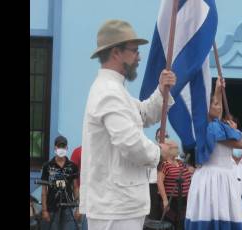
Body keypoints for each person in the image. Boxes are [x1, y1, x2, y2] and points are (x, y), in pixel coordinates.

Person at [79, 19, 176, 230]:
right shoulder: (109, 92)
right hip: (115, 205)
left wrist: (161, 90)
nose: (139, 57)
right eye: (134, 51)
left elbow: (143, 113)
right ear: (116, 53)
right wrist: (159, 152)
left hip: (119, 203)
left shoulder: (115, 90)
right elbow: (130, 143)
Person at [185, 76, 242, 229]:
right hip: (213, 178)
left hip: (221, 176)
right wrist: (234, 131)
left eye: (219, 104)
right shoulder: (210, 128)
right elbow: (240, 143)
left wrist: (218, 89)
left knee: (223, 216)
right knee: (211, 217)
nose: (218, 107)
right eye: (214, 104)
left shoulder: (217, 126)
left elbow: (216, 116)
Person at [41, 135, 81, 230]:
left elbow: (75, 187)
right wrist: (44, 210)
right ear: (55, 148)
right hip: (51, 207)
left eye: (63, 146)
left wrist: (78, 208)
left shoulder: (72, 166)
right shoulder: (48, 166)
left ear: (67, 148)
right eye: (59, 146)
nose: (61, 149)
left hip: (68, 207)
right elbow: (44, 190)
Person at [157, 139, 193, 230]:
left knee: (181, 226)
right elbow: (159, 182)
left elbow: (189, 176)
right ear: (168, 149)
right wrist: (165, 200)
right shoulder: (165, 165)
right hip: (171, 200)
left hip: (183, 201)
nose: (177, 150)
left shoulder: (181, 163)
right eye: (175, 148)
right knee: (170, 225)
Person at [70, 146, 88, 230]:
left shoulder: (100, 151)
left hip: (96, 198)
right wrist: (78, 206)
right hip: (81, 195)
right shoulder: (78, 152)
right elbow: (73, 180)